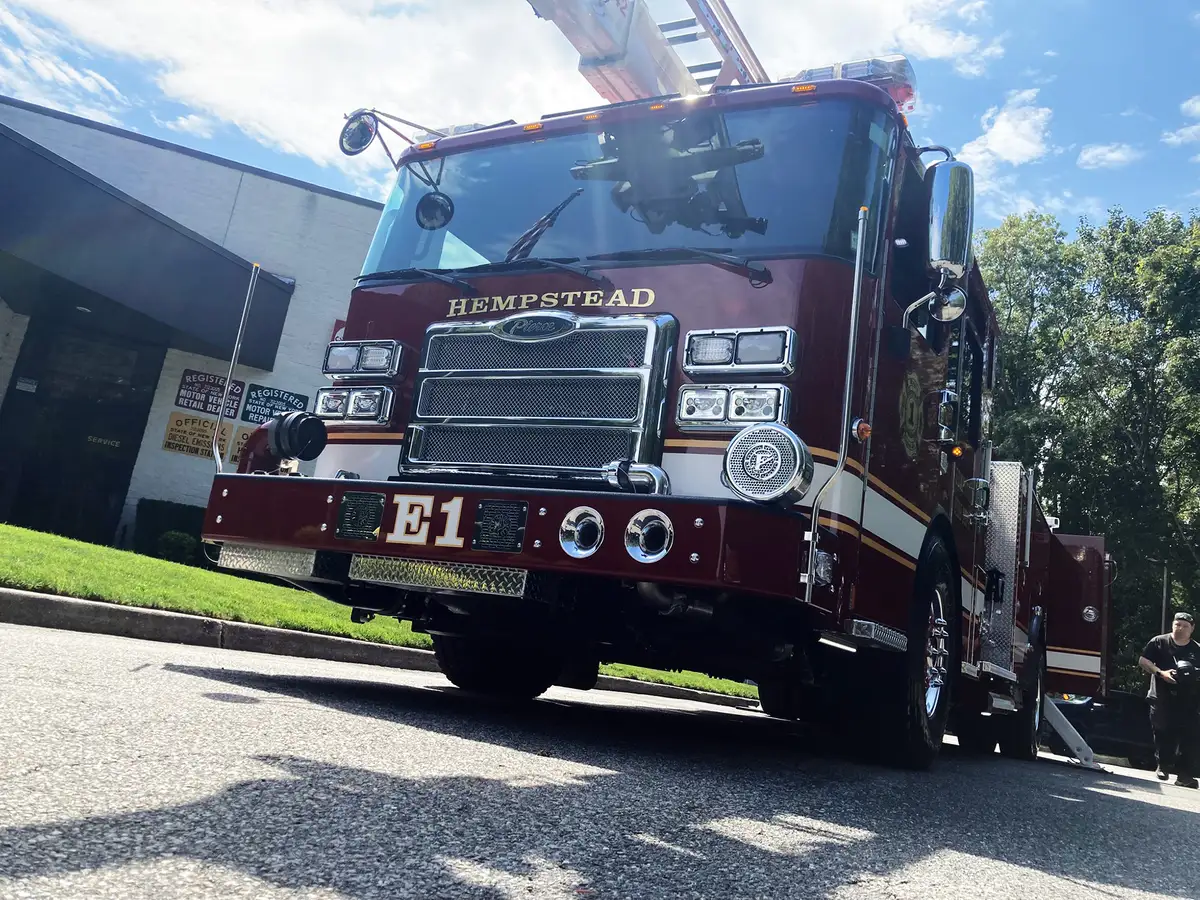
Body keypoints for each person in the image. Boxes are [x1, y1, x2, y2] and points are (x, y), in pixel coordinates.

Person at [1138, 612, 1200, 788]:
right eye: (1177, 624)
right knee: (1163, 732)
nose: (1180, 628)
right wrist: (1161, 673)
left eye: (1185, 626)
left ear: (1192, 629)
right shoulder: (1159, 642)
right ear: (1172, 625)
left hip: (1188, 700)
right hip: (1161, 696)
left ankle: (1185, 776)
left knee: (1191, 737)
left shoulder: (1197, 649)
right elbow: (1143, 661)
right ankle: (1163, 766)